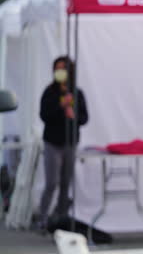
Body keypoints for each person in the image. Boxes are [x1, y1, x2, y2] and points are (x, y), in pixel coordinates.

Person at [38, 56, 88, 230]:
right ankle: (43, 219)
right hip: (52, 143)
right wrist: (61, 107)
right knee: (52, 182)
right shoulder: (50, 92)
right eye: (56, 68)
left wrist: (72, 115)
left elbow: (84, 118)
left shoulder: (77, 93)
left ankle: (61, 218)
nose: (59, 72)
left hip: (70, 143)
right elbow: (44, 115)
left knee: (66, 181)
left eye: (62, 69)